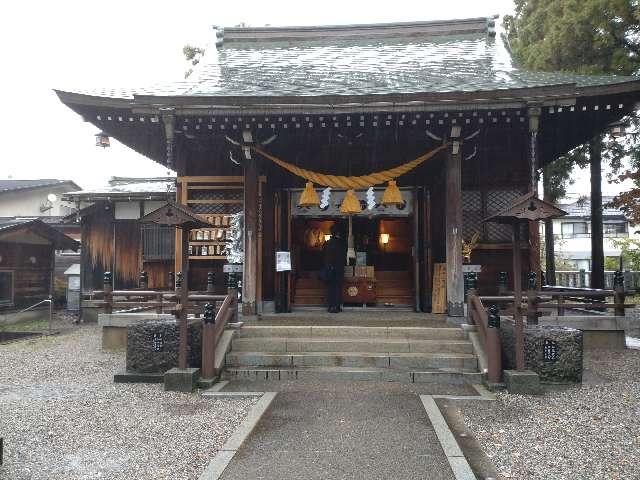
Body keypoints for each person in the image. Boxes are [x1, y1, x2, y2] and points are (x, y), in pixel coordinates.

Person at [322, 224, 347, 313]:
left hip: (329, 268)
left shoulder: (327, 243)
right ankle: (336, 306)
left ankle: (330, 306)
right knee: (337, 287)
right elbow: (343, 257)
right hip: (338, 269)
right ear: (338, 233)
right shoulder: (341, 244)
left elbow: (323, 255)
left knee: (330, 288)